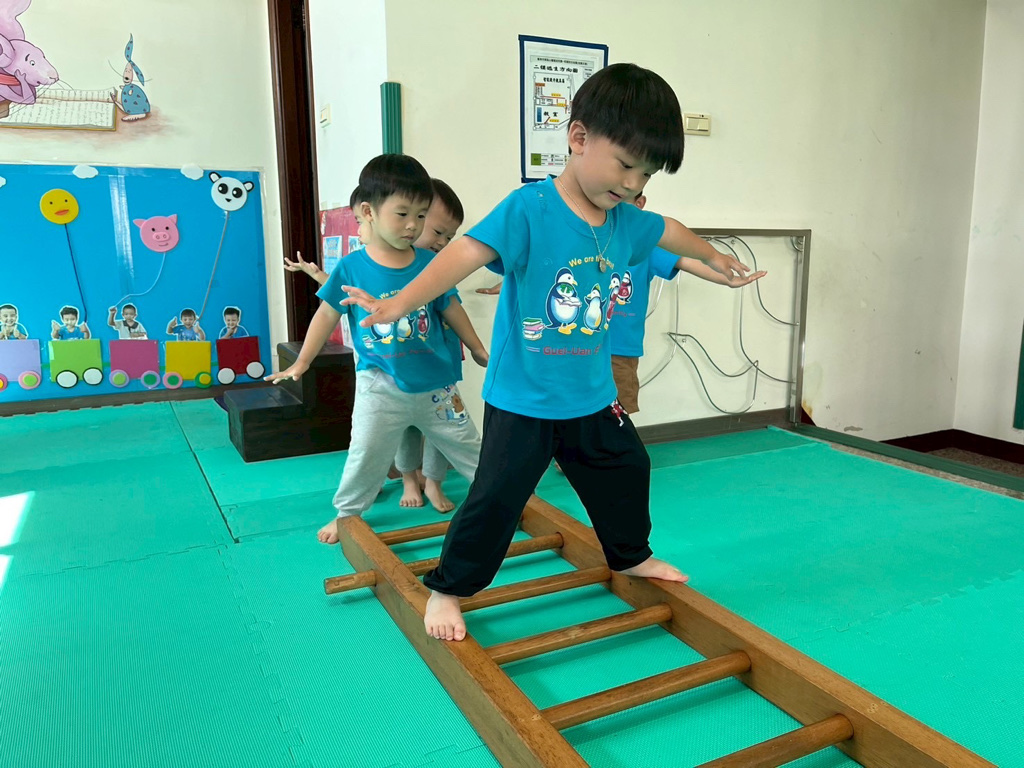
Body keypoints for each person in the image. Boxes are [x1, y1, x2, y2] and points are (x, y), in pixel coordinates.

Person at [340, 63, 751, 642]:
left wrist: (714, 256)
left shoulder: (624, 222)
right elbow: (462, 256)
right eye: (626, 165)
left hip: (591, 396)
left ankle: (631, 554)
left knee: (628, 467)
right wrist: (401, 302)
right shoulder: (529, 208)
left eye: (646, 173)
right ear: (578, 138)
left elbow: (669, 230)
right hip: (524, 398)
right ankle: (448, 588)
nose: (633, 183)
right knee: (497, 499)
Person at [265, 153, 486, 542]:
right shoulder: (351, 267)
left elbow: (451, 307)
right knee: (365, 452)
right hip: (380, 385)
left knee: (470, 446)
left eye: (421, 215)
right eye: (402, 214)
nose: (413, 225)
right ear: (368, 212)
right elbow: (326, 315)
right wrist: (302, 361)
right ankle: (348, 513)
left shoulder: (430, 264)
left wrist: (478, 348)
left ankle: (503, 497)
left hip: (437, 386)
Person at [607, 192, 766, 413]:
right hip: (576, 346)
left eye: (622, 202)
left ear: (639, 204)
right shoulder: (587, 239)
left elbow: (687, 260)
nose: (613, 211)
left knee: (616, 417)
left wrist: (727, 279)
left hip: (619, 349)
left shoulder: (646, 247)